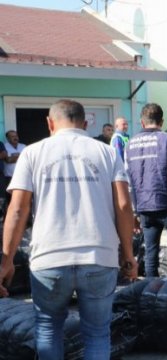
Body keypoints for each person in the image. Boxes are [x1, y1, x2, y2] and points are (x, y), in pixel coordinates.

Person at [0, 99, 138, 359]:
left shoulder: (32, 152)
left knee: (48, 329)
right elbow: (123, 204)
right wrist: (128, 253)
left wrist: (6, 261)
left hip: (49, 258)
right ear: (85, 124)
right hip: (99, 256)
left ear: (50, 123)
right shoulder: (107, 152)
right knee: (97, 332)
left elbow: (17, 210)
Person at [125, 103, 167, 278]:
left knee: (150, 253)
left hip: (145, 208)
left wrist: (133, 212)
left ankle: (151, 294)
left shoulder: (130, 144)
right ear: (162, 121)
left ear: (142, 122)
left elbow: (129, 182)